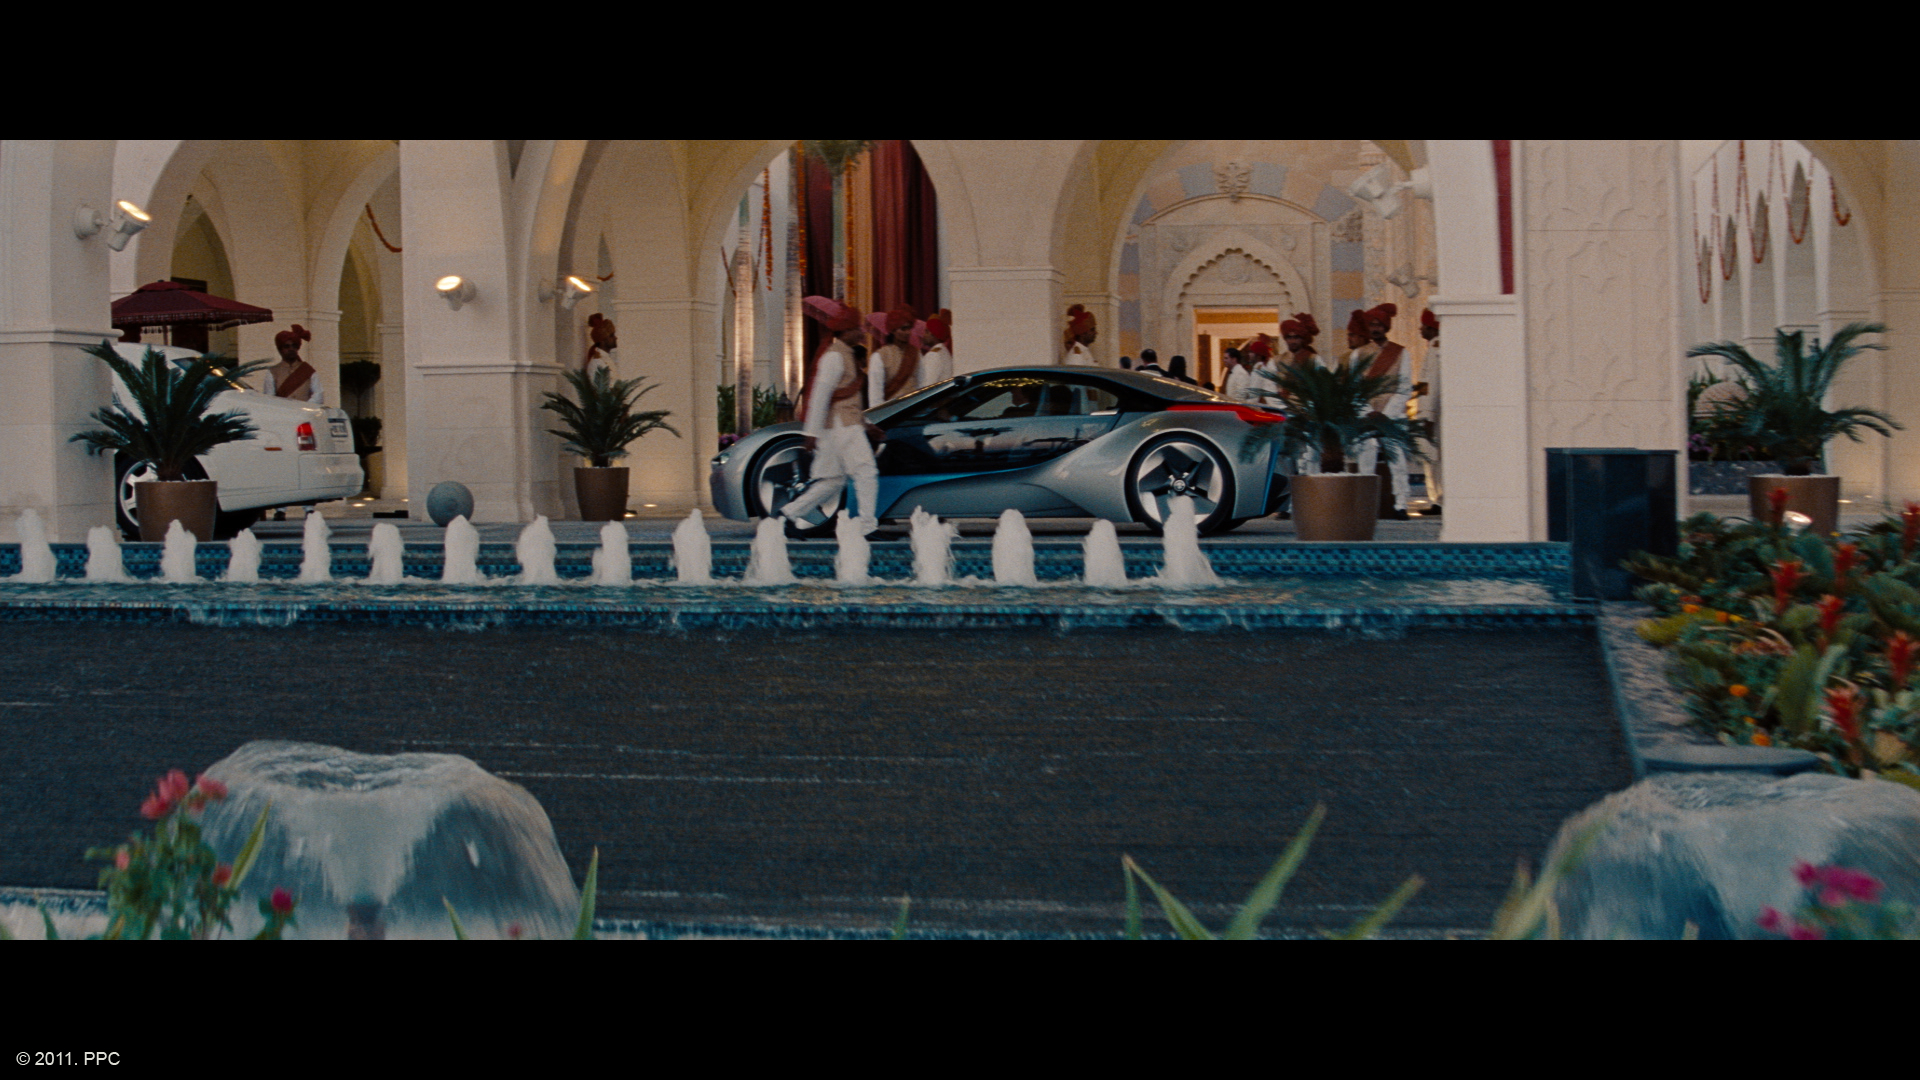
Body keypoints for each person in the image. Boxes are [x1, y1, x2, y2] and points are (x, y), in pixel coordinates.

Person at [777, 296, 879, 539]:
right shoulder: (834, 357)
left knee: (833, 481)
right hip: (841, 426)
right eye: (856, 328)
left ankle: (788, 515)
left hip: (841, 426)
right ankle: (867, 527)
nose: (861, 331)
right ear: (846, 331)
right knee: (866, 472)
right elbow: (820, 396)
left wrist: (866, 424)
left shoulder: (846, 354)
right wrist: (811, 434)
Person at [1354, 303, 1412, 519]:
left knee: (1397, 459)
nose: (1375, 329)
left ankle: (1401, 504)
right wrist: (1368, 411)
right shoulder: (1358, 355)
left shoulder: (1401, 353)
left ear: (1386, 327)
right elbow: (1354, 388)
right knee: (1366, 457)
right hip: (1366, 415)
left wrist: (1386, 414)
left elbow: (1404, 387)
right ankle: (1366, 505)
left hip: (1392, 416)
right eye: (1372, 325)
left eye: (1379, 325)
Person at [866, 305, 920, 404]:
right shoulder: (880, 356)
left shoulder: (916, 353)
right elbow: (875, 395)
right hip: (892, 410)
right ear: (893, 330)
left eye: (909, 328)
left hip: (915, 408)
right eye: (903, 329)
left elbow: (923, 384)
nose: (908, 332)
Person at [1416, 308, 1442, 514]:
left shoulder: (1436, 349)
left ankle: (1439, 500)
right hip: (1432, 413)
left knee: (1434, 458)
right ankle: (1437, 499)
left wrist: (1428, 416)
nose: (1420, 329)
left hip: (1433, 415)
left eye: (1423, 326)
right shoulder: (1434, 347)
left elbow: (1431, 385)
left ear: (1431, 327)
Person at [260, 325, 322, 403]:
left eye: (294, 346)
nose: (291, 349)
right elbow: (269, 397)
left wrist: (305, 406)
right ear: (280, 349)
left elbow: (318, 394)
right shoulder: (272, 372)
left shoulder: (308, 370)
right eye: (287, 346)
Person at [917, 309, 954, 389]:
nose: (923, 335)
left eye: (926, 332)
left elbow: (926, 385)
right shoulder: (943, 351)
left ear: (933, 334)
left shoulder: (934, 355)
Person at [583, 313, 617, 379]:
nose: (616, 338)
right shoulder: (597, 362)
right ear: (602, 340)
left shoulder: (606, 358)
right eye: (611, 335)